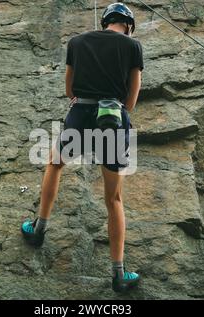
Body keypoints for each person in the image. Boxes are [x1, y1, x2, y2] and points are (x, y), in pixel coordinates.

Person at [21, 2, 143, 293]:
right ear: (127, 24)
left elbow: (69, 91)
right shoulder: (133, 46)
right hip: (112, 118)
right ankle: (118, 274)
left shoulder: (77, 42)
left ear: (104, 21)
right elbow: (132, 102)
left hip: (80, 115)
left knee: (55, 163)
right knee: (113, 199)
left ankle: (38, 230)